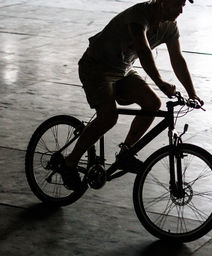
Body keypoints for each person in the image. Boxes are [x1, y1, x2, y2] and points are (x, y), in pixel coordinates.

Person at [60, 0, 202, 189]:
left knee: (152, 104)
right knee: (109, 117)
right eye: (177, 4)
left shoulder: (170, 26)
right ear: (162, 2)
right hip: (96, 67)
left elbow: (177, 58)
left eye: (183, 4)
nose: (181, 10)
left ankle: (126, 152)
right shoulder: (138, 16)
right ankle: (69, 162)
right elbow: (143, 52)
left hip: (122, 70)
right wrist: (160, 83)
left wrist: (193, 94)